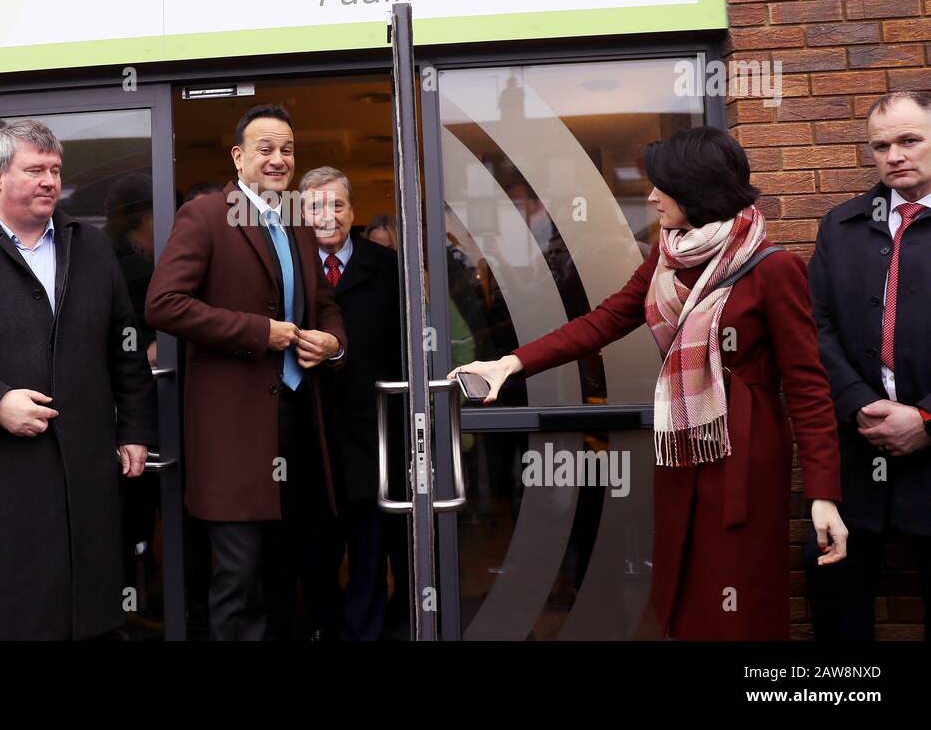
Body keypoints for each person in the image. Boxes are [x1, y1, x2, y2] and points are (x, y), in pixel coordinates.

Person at [450, 126, 847, 640]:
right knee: (684, 583)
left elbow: (808, 387)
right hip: (683, 447)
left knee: (737, 590)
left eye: (662, 185)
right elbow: (601, 322)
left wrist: (823, 495)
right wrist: (510, 363)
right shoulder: (665, 259)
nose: (652, 196)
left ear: (697, 187)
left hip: (745, 455)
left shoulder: (774, 270)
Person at [0, 119, 157, 640]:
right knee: (11, 616)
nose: (49, 181)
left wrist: (133, 429)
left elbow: (123, 345)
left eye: (55, 170)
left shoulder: (90, 247)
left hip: (86, 471)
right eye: (34, 170)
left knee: (92, 614)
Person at [146, 103, 347, 640]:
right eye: (266, 149)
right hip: (233, 436)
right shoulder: (208, 215)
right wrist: (262, 333)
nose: (279, 159)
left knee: (287, 571)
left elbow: (324, 304)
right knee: (239, 580)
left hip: (298, 422)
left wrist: (332, 342)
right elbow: (163, 304)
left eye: (287, 149)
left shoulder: (300, 220)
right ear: (238, 157)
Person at [807, 91, 931, 641]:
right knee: (838, 609)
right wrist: (860, 401)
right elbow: (816, 326)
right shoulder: (841, 225)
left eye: (909, 140)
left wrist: (925, 419)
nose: (893, 156)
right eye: (881, 146)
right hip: (856, 452)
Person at [299, 166, 408, 640]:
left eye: (337, 205)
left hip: (374, 434)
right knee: (314, 554)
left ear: (353, 211)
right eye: (316, 206)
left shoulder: (387, 267)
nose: (328, 215)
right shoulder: (287, 266)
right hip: (307, 437)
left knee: (370, 552)